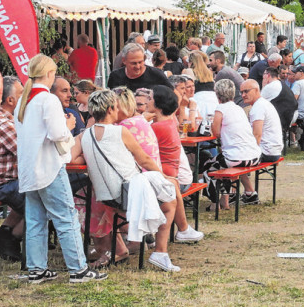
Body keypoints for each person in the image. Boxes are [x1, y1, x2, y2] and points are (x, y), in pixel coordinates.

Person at [12, 55, 105, 284]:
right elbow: (57, 134)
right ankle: (78, 269)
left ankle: (37, 269)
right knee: (66, 217)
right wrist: (69, 126)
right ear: (49, 74)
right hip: (49, 166)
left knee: (35, 220)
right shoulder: (48, 100)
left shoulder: (24, 102)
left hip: (29, 168)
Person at [71, 90, 183, 272]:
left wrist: (89, 159)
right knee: (170, 200)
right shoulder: (120, 131)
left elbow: (69, 158)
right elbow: (144, 160)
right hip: (128, 193)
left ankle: (144, 245)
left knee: (165, 190)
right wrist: (163, 176)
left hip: (107, 197)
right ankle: (160, 252)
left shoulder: (85, 135)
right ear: (110, 109)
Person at [147, 86, 205, 243]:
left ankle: (182, 230)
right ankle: (183, 230)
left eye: (150, 98)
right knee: (172, 185)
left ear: (158, 103)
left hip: (165, 177)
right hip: (173, 176)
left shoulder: (156, 127)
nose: (147, 101)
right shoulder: (169, 123)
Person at [210, 80, 262, 205]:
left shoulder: (220, 109)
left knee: (209, 166)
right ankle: (238, 195)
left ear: (217, 94)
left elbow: (215, 133)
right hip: (255, 155)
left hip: (236, 157)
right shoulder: (239, 109)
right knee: (231, 161)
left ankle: (218, 201)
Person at [0, 75, 26, 260]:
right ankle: (10, 237)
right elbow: (26, 151)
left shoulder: (9, 120)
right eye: (22, 94)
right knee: (43, 197)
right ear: (10, 100)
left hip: (9, 181)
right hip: (2, 184)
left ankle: (6, 233)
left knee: (36, 189)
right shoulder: (4, 123)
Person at [241, 79, 283, 170]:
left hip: (266, 153)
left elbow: (257, 135)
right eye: (242, 92)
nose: (243, 95)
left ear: (256, 90)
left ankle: (230, 183)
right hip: (273, 151)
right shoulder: (262, 103)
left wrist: (250, 154)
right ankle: (244, 183)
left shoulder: (258, 107)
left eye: (246, 91)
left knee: (231, 158)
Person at [107, 43, 172, 92]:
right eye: (133, 63)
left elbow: (174, 96)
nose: (138, 67)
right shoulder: (115, 76)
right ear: (124, 60)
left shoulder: (156, 74)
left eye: (140, 62)